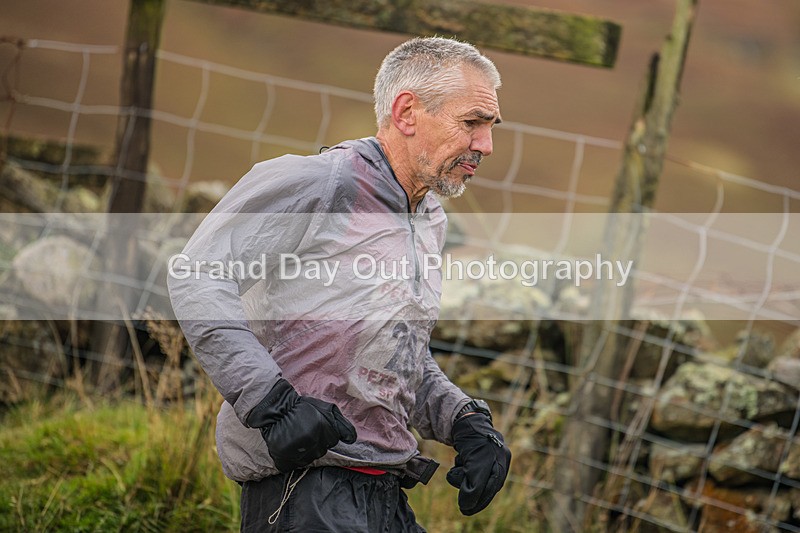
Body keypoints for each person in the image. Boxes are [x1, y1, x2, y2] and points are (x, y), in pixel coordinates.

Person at [168, 36, 512, 532]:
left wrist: (464, 421)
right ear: (407, 112)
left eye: (490, 127)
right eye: (472, 123)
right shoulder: (323, 183)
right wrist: (272, 404)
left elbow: (387, 347)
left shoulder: (427, 216)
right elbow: (198, 273)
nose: (486, 145)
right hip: (304, 488)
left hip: (385, 490)